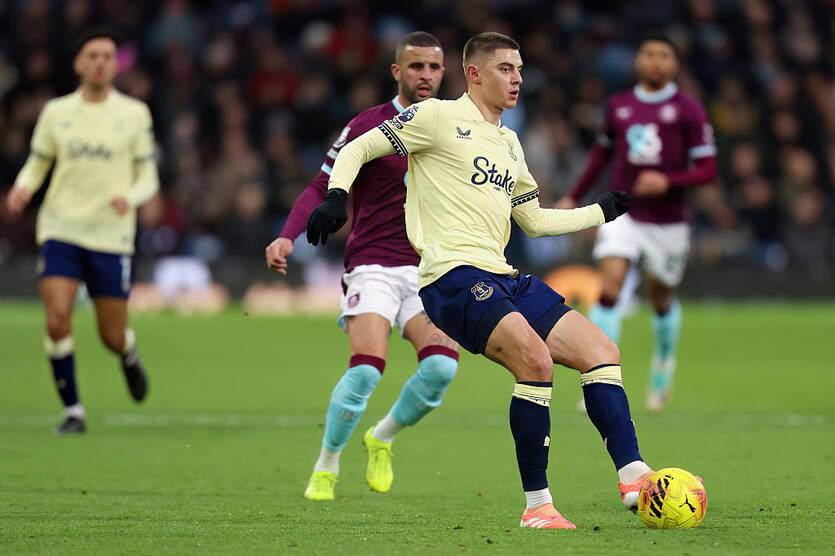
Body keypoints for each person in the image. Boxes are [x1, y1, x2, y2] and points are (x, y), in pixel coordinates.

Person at [306, 31, 654, 530]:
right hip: (450, 277)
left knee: (602, 350)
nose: (517, 79)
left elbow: (534, 221)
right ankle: (538, 506)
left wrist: (599, 211)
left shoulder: (509, 143)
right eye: (506, 69)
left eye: (520, 70)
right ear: (474, 74)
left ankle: (634, 477)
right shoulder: (435, 117)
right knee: (534, 362)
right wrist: (336, 196)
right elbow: (357, 149)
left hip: (501, 274)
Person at [265, 32, 459, 501]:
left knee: (441, 369)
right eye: (416, 66)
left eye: (434, 67)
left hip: (430, 269)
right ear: (397, 71)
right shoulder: (368, 125)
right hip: (373, 263)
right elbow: (322, 183)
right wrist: (287, 235)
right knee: (368, 369)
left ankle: (382, 436)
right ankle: (327, 464)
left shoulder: (457, 125)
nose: (426, 75)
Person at [6, 28, 158, 434]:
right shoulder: (56, 112)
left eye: (108, 56)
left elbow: (149, 177)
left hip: (111, 234)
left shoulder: (134, 114)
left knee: (110, 335)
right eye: (92, 55)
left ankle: (127, 352)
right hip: (61, 227)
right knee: (57, 319)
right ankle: (73, 411)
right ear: (78, 63)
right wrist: (23, 187)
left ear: (116, 65)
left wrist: (131, 196)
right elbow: (38, 162)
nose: (100, 62)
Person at [558, 32, 717, 412]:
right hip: (622, 209)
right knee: (609, 286)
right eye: (649, 54)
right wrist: (574, 195)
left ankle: (664, 360)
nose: (656, 61)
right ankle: (599, 377)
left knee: (660, 296)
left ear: (674, 63)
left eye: (664, 54)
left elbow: (708, 168)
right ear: (639, 61)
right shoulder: (619, 106)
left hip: (669, 221)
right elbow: (601, 155)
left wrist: (668, 181)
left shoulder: (689, 110)